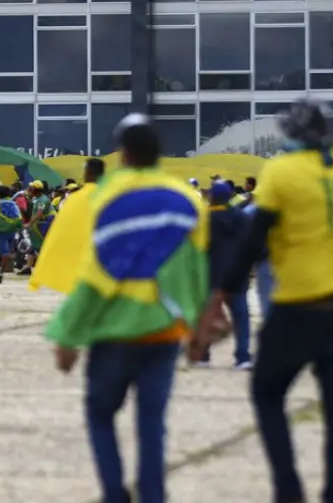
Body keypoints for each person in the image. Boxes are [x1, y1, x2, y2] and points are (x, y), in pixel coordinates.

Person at [195, 14, 333, 503]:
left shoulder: (281, 172)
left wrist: (218, 296)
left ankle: (288, 490)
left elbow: (253, 240)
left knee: (267, 394)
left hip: (298, 308)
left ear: (290, 135)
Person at [46, 115, 208, 503]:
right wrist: (199, 327)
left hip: (115, 331)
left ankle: (115, 494)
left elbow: (97, 271)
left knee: (101, 414)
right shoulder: (187, 200)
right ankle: (153, 496)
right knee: (152, 423)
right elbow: (196, 269)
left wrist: (68, 335)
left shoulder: (108, 195)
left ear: (125, 153)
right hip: (165, 330)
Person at [197, 181, 252, 370]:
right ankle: (243, 356)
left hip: (211, 276)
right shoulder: (243, 218)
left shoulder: (203, 219)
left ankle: (203, 355)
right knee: (241, 317)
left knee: (207, 316)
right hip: (237, 275)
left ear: (211, 197)